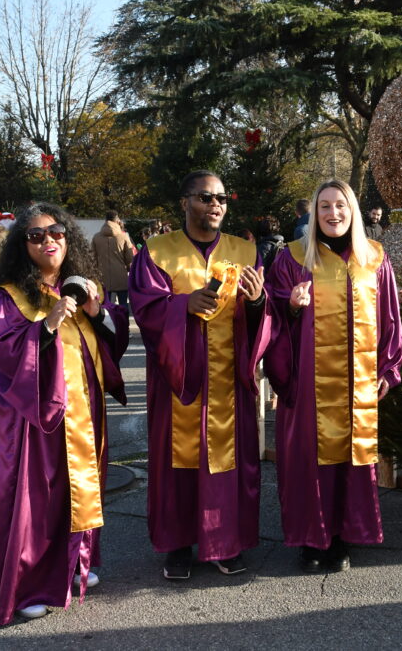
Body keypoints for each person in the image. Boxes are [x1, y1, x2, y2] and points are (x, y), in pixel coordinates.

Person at [0, 202, 129, 625]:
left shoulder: (79, 287)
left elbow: (111, 348)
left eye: (57, 233)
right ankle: (25, 583)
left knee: (75, 492)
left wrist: (98, 314)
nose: (49, 241)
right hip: (32, 421)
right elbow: (3, 353)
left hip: (82, 411)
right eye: (37, 235)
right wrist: (44, 326)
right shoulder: (9, 297)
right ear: (22, 245)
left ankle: (74, 565)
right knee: (36, 499)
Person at [128, 170, 269, 581]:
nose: (216, 205)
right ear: (185, 202)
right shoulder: (156, 252)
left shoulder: (245, 251)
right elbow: (146, 308)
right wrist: (183, 305)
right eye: (206, 197)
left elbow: (263, 316)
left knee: (227, 464)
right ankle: (177, 545)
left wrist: (259, 300)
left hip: (228, 379)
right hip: (179, 379)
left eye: (222, 198)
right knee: (178, 464)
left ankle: (225, 543)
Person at [265, 179, 402, 574]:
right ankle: (311, 539)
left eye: (340, 205)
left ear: (353, 210)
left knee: (350, 460)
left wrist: (387, 369)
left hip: (357, 383)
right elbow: (269, 319)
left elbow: (390, 319)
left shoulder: (375, 258)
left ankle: (342, 537)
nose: (333, 213)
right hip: (308, 383)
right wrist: (291, 307)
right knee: (309, 461)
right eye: (324, 206)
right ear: (314, 213)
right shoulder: (292, 258)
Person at [92, 211, 135, 308]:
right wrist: (128, 267)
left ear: (105, 220)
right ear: (117, 220)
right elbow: (129, 257)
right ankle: (123, 322)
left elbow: (92, 257)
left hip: (102, 275)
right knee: (123, 303)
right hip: (121, 275)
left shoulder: (96, 237)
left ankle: (109, 322)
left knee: (104, 304)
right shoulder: (123, 236)